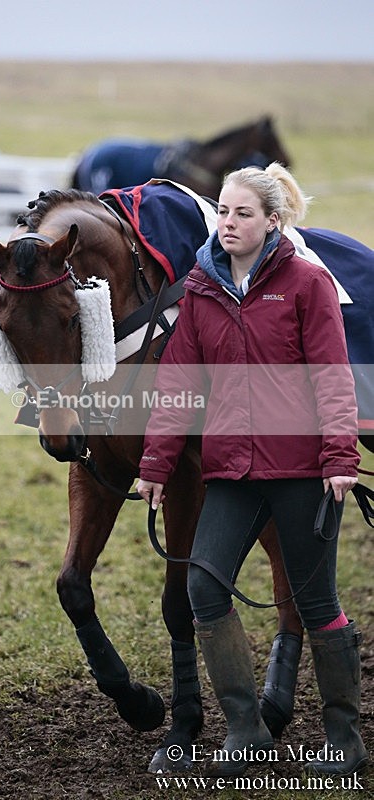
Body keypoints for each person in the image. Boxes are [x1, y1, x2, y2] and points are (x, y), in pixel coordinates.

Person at [136, 162, 369, 778]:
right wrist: (156, 463)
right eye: (223, 211)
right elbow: (179, 384)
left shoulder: (307, 283)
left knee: (316, 602)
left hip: (302, 470)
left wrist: (340, 457)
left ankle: (344, 741)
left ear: (272, 221)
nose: (229, 223)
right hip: (232, 471)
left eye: (243, 213)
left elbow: (332, 376)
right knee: (203, 586)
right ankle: (246, 733)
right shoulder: (200, 289)